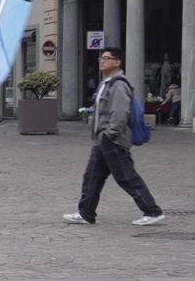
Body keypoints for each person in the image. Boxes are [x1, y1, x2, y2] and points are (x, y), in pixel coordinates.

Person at [64, 47, 164, 226]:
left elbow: (120, 113)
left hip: (113, 140)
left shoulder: (118, 85)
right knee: (92, 177)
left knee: (126, 177)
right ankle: (86, 213)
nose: (102, 61)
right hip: (102, 140)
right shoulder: (106, 83)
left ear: (117, 62)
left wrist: (110, 134)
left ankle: (152, 211)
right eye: (101, 58)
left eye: (107, 58)